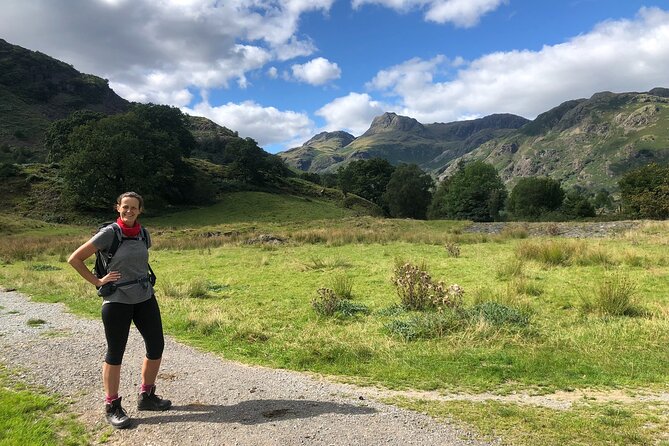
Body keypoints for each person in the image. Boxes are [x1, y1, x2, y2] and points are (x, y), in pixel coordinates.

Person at [68, 192, 171, 429]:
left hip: (144, 296)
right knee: (116, 352)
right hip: (116, 300)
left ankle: (147, 396)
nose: (129, 211)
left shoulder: (144, 234)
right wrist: (98, 281)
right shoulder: (109, 233)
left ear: (140, 210)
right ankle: (112, 405)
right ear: (118, 208)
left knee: (156, 346)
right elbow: (75, 259)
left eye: (134, 208)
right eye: (125, 207)